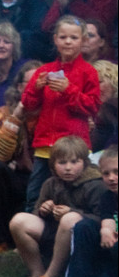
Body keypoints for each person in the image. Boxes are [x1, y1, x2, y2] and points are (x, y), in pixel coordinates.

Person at [21, 16, 103, 212]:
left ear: (83, 41)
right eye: (63, 37)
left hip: (74, 148)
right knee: (35, 195)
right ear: (55, 39)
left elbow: (93, 107)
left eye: (74, 38)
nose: (68, 42)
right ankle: (30, 233)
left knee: (73, 197)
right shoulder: (45, 70)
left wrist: (69, 90)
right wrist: (38, 88)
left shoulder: (88, 72)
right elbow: (27, 103)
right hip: (44, 146)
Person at [11, 135, 106, 277]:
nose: (68, 168)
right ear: (53, 165)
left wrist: (73, 212)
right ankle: (37, 274)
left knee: (70, 218)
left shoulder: (95, 184)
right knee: (19, 221)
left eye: (74, 162)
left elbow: (102, 218)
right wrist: (43, 210)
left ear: (85, 162)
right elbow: (36, 214)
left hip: (83, 238)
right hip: (55, 232)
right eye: (62, 163)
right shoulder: (51, 183)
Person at [0, 60, 40, 251]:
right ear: (20, 87)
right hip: (16, 174)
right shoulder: (4, 112)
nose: (36, 88)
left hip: (44, 174)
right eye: (31, 83)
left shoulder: (54, 112)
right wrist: (16, 116)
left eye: (41, 83)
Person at [64, 145, 118, 277]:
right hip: (113, 237)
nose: (111, 178)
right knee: (84, 226)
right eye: (106, 174)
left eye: (116, 172)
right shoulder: (108, 196)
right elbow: (107, 217)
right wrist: (106, 230)